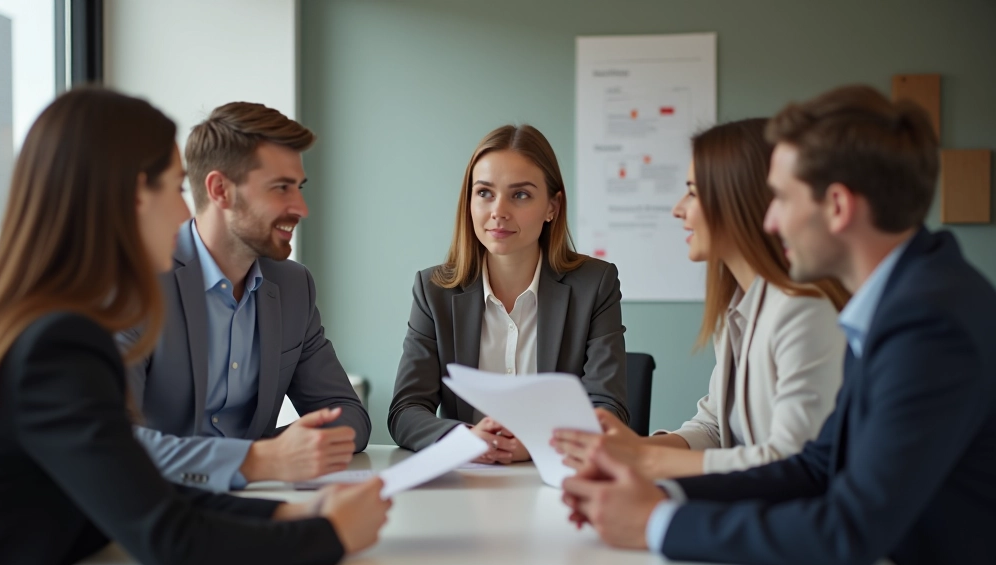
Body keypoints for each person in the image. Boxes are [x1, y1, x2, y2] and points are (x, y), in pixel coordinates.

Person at [559, 85, 996, 565]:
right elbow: (814, 467)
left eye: (782, 198)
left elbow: (847, 529)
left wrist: (656, 521)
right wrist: (660, 493)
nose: (769, 219)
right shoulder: (897, 300)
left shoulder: (928, 323)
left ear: (837, 206)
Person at [0, 88, 390, 565]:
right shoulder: (59, 343)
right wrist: (330, 535)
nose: (181, 212)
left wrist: (290, 511)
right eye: (173, 188)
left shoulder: (38, 323)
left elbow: (140, 489)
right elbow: (172, 542)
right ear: (131, 196)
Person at [552, 119, 847, 480]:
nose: (678, 209)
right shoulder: (741, 307)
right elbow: (715, 428)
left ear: (739, 200)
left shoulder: (804, 311)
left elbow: (790, 459)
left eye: (692, 192)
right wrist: (629, 448)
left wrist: (644, 462)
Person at [118, 102, 370, 492]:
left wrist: (277, 455)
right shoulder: (138, 282)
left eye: (299, 188)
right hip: (159, 512)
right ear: (220, 190)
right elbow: (115, 442)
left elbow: (350, 414)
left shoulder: (293, 286)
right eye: (281, 188)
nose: (301, 209)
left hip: (255, 500)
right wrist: (262, 460)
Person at [388, 124, 629, 463]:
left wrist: (537, 444)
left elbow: (609, 409)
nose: (498, 211)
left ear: (552, 207)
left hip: (557, 482)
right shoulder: (434, 291)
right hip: (468, 481)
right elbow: (405, 411)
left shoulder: (595, 284)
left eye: (520, 195)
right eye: (485, 193)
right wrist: (466, 439)